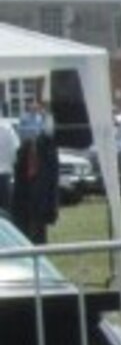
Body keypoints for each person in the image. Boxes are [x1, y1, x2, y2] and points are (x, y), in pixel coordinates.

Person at [12, 100, 58, 244]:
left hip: (40, 194)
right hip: (26, 194)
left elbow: (52, 178)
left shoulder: (47, 147)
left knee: (39, 230)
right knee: (25, 228)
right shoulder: (24, 148)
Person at [0, 118, 17, 214]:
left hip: (5, 174)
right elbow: (15, 153)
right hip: (5, 176)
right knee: (6, 215)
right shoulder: (8, 128)